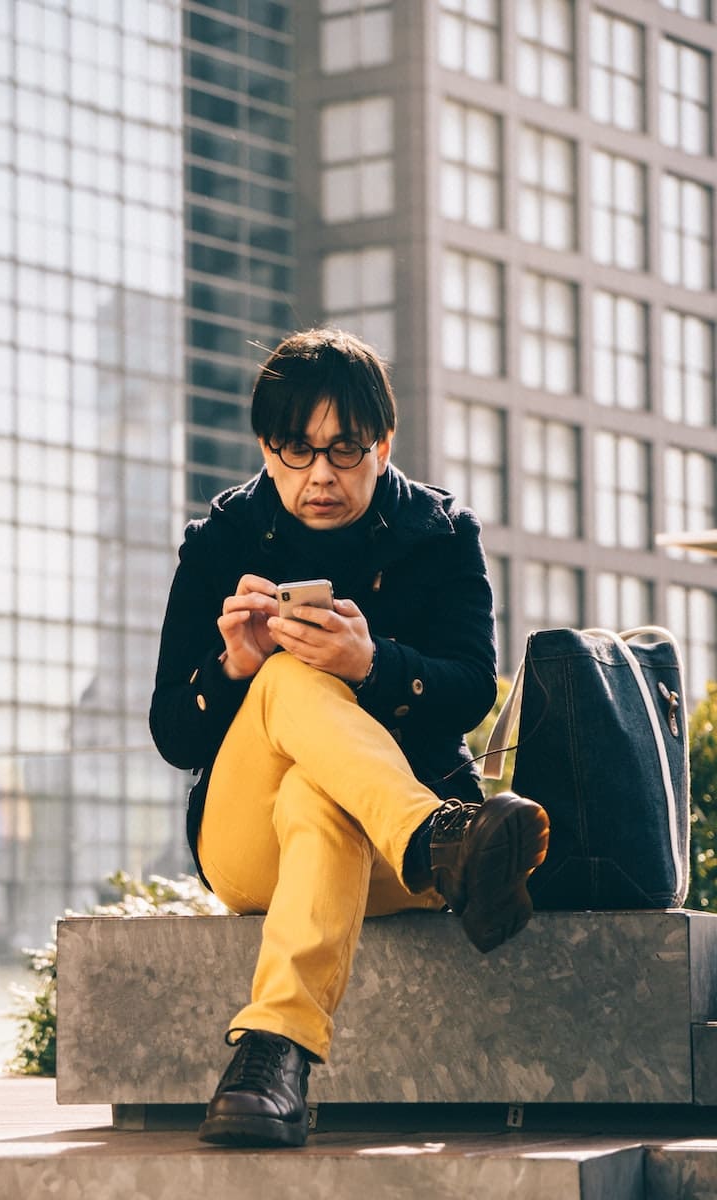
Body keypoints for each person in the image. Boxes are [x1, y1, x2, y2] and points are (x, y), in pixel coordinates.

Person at [149, 328, 549, 1149]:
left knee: (314, 792)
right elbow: (171, 733)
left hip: (382, 860)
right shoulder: (220, 541)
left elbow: (475, 686)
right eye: (296, 451)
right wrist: (231, 667)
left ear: (383, 443)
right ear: (266, 448)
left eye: (345, 449)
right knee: (290, 678)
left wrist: (375, 667)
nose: (321, 475)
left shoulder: (440, 534)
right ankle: (445, 838)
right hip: (249, 845)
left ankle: (273, 1058)